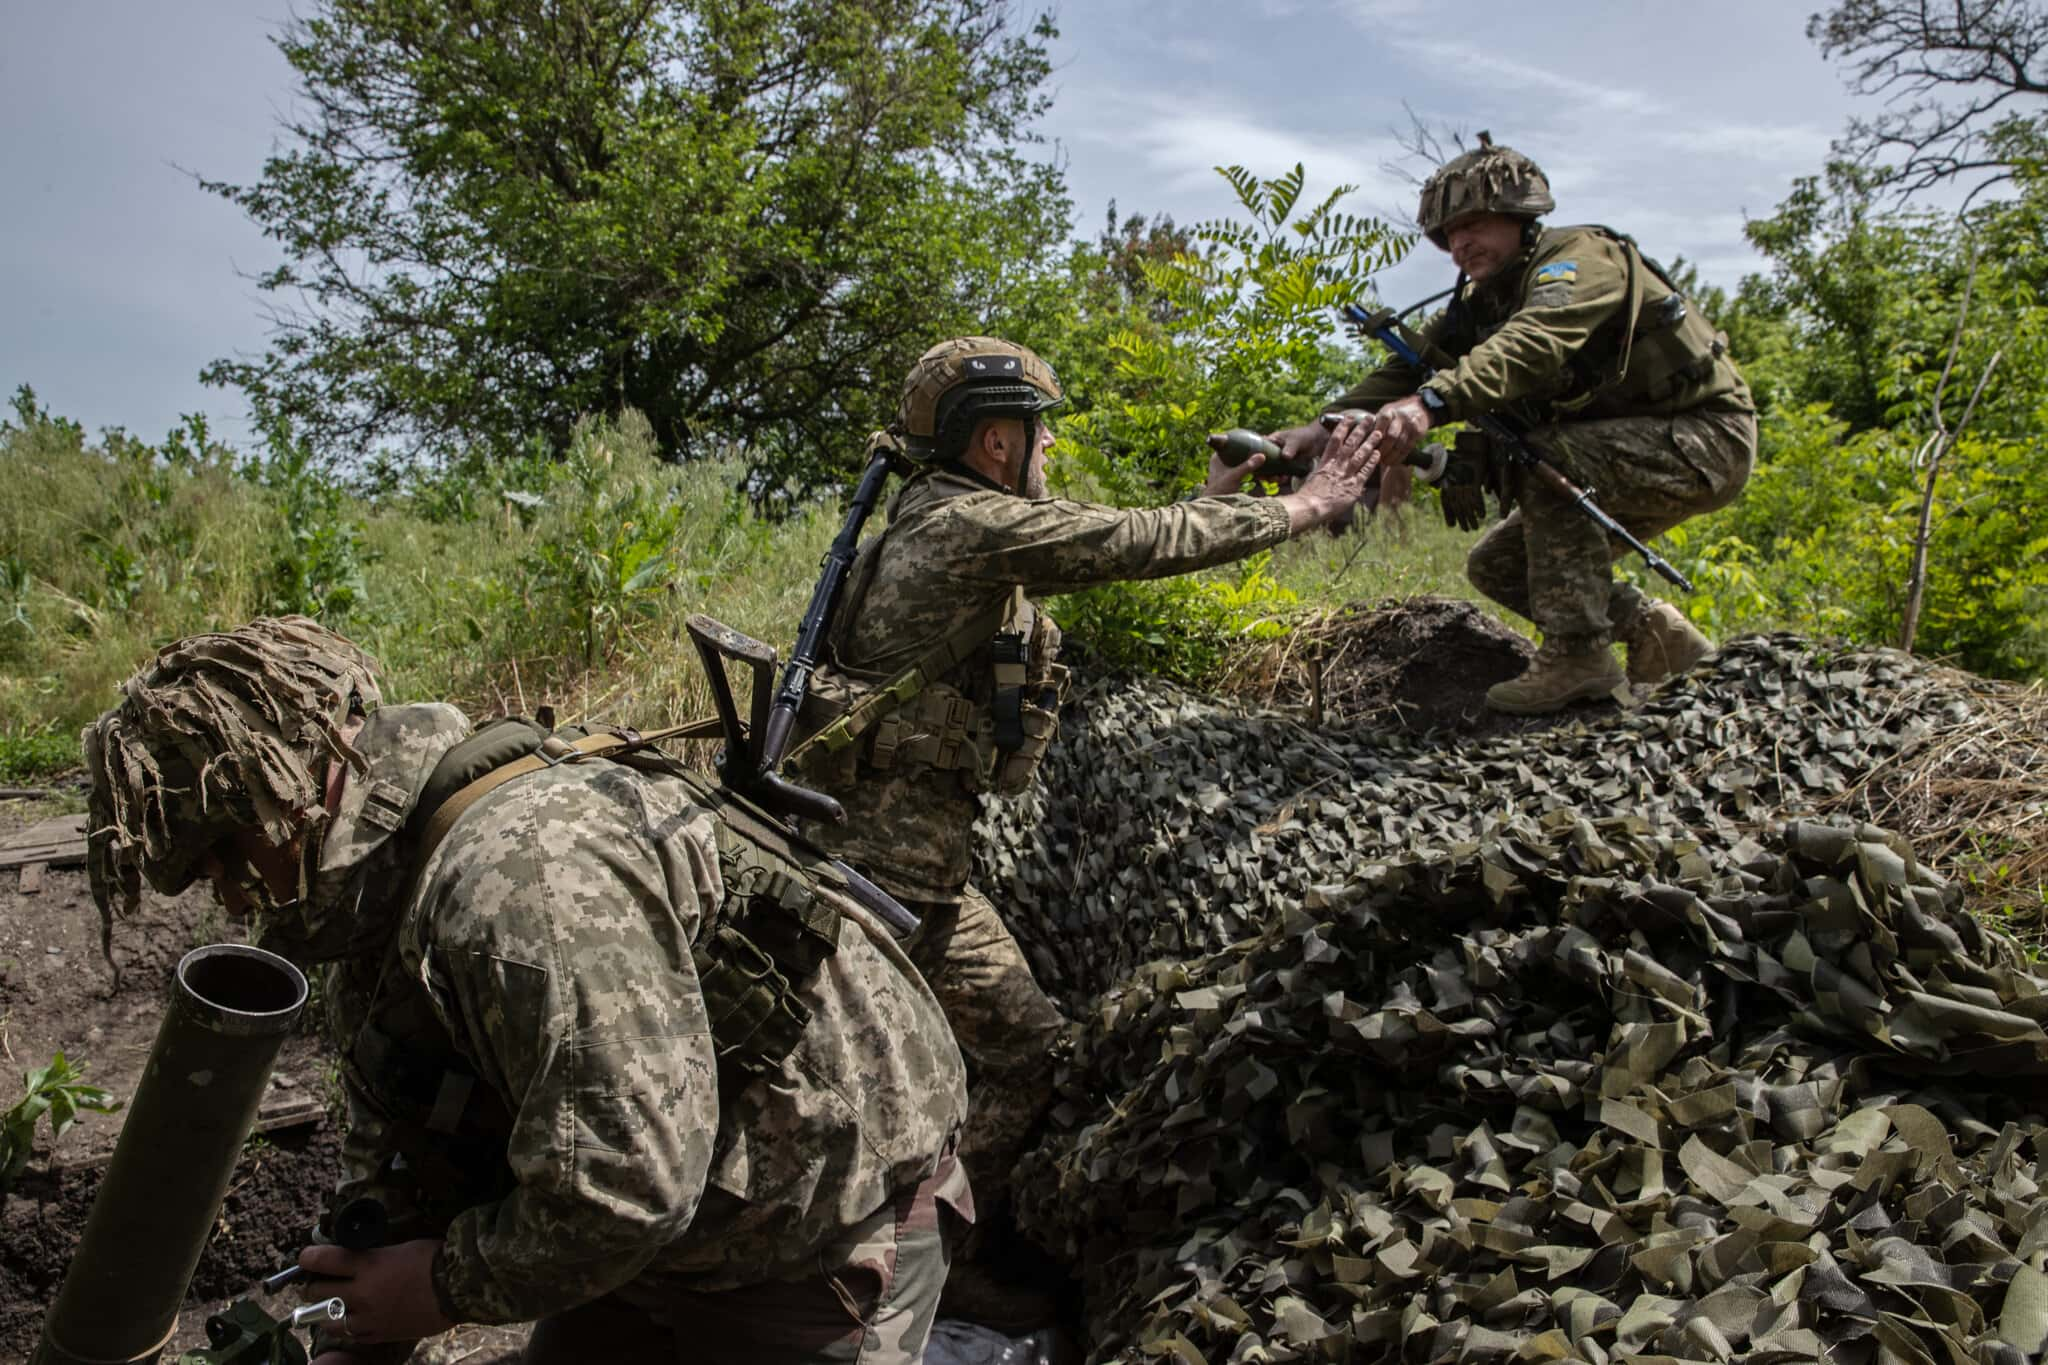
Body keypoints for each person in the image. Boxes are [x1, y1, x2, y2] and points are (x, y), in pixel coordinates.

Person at [81, 616, 971, 1364]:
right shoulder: (379, 890)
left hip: (823, 1220)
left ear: (298, 785)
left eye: (230, 853)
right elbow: (400, 1128)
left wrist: (436, 1287)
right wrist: (368, 1288)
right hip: (664, 1221)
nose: (232, 896)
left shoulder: (518, 885)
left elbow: (631, 1184)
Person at [782, 336, 1381, 1317]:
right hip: (869, 885)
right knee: (848, 1093)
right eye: (1039, 432)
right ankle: (837, 1281)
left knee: (1034, 1056)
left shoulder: (961, 521)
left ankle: (936, 1257)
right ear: (993, 444)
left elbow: (1106, 539)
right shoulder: (963, 527)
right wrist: (1301, 507)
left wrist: (1216, 492)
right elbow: (1127, 543)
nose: (1050, 448)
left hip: (924, 879)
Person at [1269, 136, 1755, 714]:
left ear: (1520, 217)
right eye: (1448, 235)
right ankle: (1651, 630)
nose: (1459, 245)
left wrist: (1430, 406)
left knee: (1554, 454)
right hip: (1633, 448)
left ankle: (1579, 657)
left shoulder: (1579, 259)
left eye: (1472, 224)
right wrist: (1317, 430)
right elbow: (1404, 369)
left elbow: (1531, 345)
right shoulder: (1481, 303)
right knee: (1498, 565)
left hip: (1706, 438)